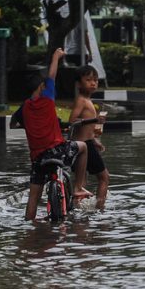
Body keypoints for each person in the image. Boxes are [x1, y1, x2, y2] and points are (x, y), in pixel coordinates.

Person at [10, 48, 91, 221]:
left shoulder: (23, 108)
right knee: (83, 147)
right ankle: (78, 187)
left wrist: (26, 125)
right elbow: (52, 75)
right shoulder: (47, 98)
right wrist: (56, 57)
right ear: (41, 87)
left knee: (33, 200)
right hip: (58, 151)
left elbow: (12, 124)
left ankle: (29, 228)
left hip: (38, 158)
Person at [69, 65, 109, 209]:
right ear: (79, 83)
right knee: (104, 177)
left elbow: (85, 128)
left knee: (82, 180)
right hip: (83, 145)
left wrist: (94, 140)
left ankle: (76, 208)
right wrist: (94, 120)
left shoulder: (87, 100)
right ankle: (100, 208)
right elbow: (72, 121)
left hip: (87, 143)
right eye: (88, 80)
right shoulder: (81, 100)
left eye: (95, 80)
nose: (93, 83)